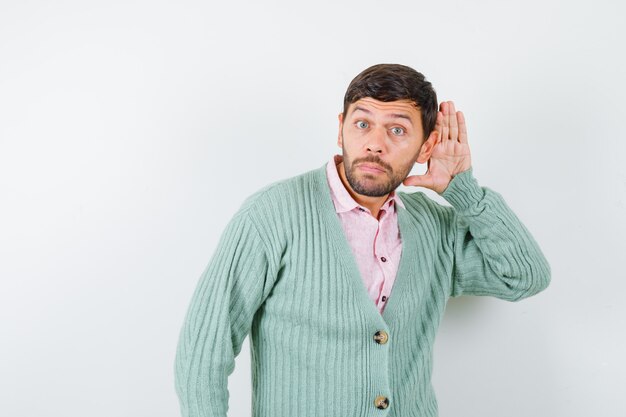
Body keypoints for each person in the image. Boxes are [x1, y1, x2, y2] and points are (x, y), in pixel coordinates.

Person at [174, 63, 551, 417]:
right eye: (362, 123)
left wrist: (463, 190)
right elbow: (205, 350)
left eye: (397, 130)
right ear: (340, 129)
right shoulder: (272, 214)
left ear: (426, 147)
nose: (375, 143)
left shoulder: (435, 227)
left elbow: (524, 277)